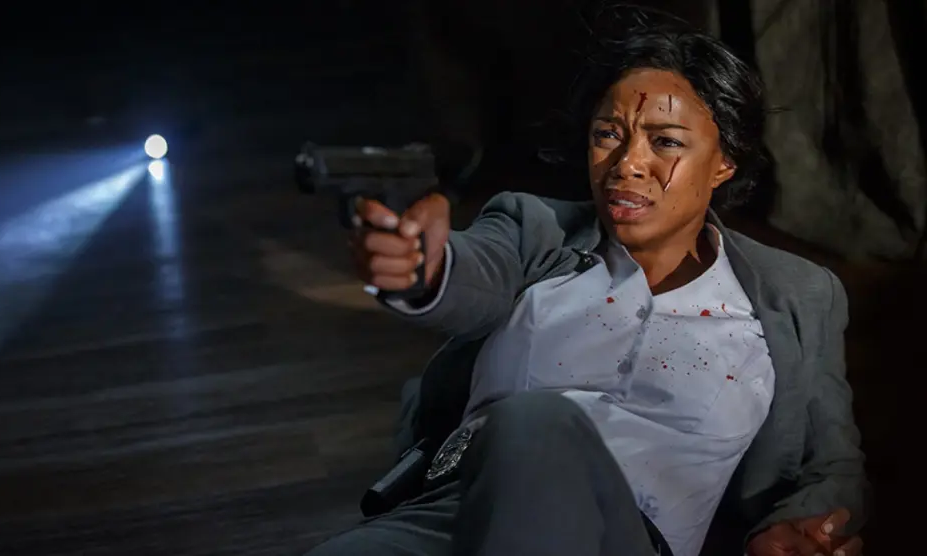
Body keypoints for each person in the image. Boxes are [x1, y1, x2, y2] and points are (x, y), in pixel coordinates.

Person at [308, 16, 868, 556]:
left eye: (665, 142)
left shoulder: (799, 295)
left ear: (724, 162)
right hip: (454, 513)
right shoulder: (535, 230)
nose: (627, 164)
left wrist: (788, 528)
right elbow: (473, 273)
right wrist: (424, 269)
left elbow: (831, 464)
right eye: (608, 135)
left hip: (624, 537)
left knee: (535, 420)